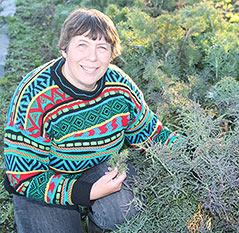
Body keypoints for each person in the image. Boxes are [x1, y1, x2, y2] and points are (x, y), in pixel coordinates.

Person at [3, 8, 182, 233]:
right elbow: (22, 176)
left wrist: (194, 151)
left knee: (125, 209)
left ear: (112, 53)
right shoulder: (34, 97)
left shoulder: (119, 86)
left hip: (97, 166)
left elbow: (150, 134)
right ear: (64, 49)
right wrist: (87, 193)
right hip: (45, 179)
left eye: (102, 47)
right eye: (82, 45)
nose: (92, 57)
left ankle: (95, 226)